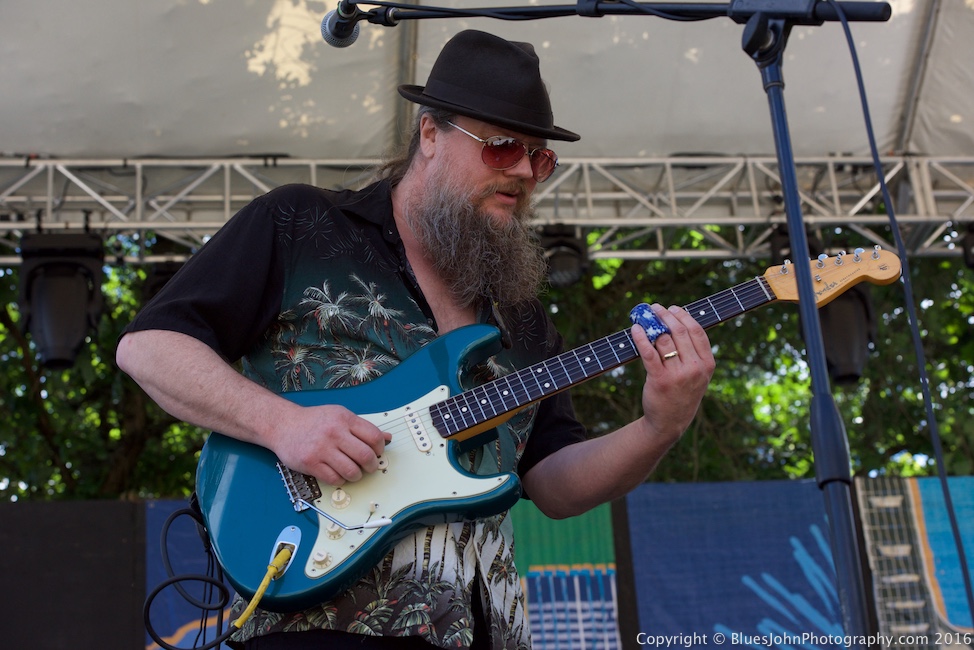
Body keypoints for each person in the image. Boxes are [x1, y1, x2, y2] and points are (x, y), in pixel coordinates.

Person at [117, 29, 714, 650]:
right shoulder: (301, 225)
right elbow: (150, 346)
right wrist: (281, 424)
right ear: (430, 134)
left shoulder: (523, 316)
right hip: (318, 625)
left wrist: (658, 427)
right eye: (501, 146)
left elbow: (553, 483)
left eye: (539, 157)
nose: (521, 172)